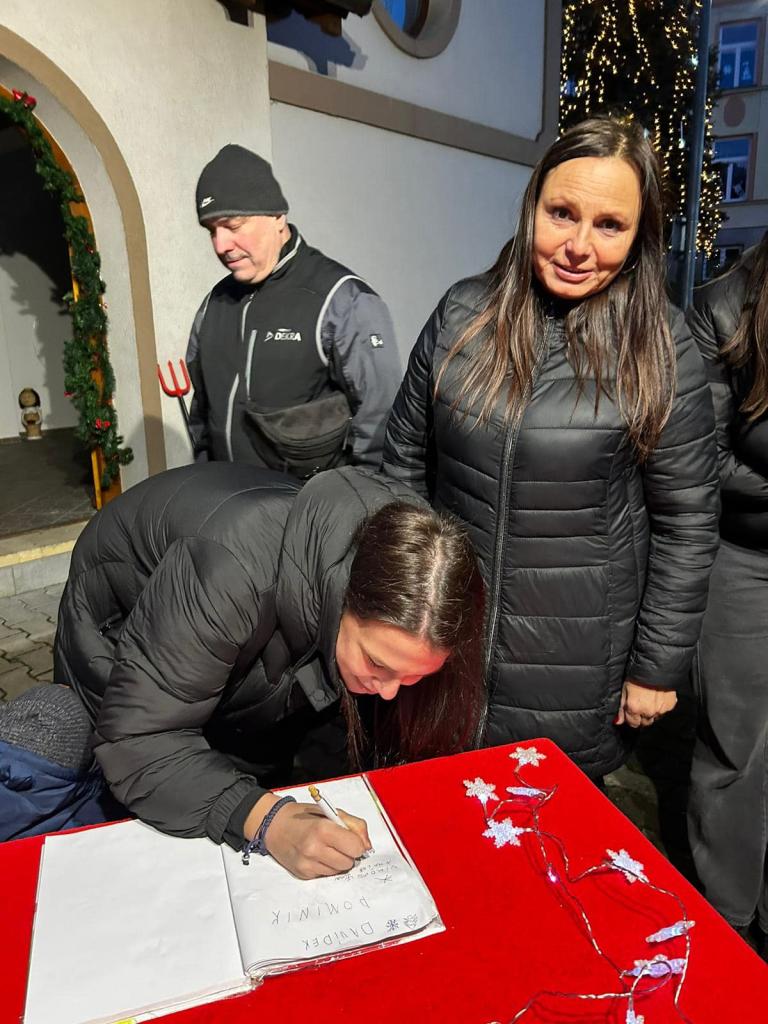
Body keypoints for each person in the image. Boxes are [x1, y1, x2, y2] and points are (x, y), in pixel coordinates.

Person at [383, 116, 719, 781]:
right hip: (445, 646)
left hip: (577, 664)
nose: (579, 247)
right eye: (562, 214)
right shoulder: (462, 313)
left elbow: (687, 520)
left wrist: (656, 666)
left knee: (541, 824)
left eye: (610, 225)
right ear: (532, 205)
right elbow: (401, 467)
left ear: (639, 236)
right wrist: (400, 607)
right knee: (438, 814)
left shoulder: (660, 342)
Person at [53, 463, 484, 878]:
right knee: (148, 831)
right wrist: (267, 819)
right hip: (119, 646)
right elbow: (138, 740)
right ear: (341, 599)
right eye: (377, 664)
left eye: (413, 677)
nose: (389, 691)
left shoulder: (409, 577)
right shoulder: (230, 573)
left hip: (228, 658)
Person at [186, 144, 402, 478]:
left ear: (277, 216)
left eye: (233, 225)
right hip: (226, 501)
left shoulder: (342, 299)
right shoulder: (214, 305)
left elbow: (380, 424)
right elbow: (201, 417)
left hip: (311, 505)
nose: (220, 245)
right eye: (212, 230)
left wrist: (361, 503)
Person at [686, 234, 768, 957]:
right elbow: (701, 456)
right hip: (745, 555)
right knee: (736, 744)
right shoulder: (725, 307)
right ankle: (728, 924)